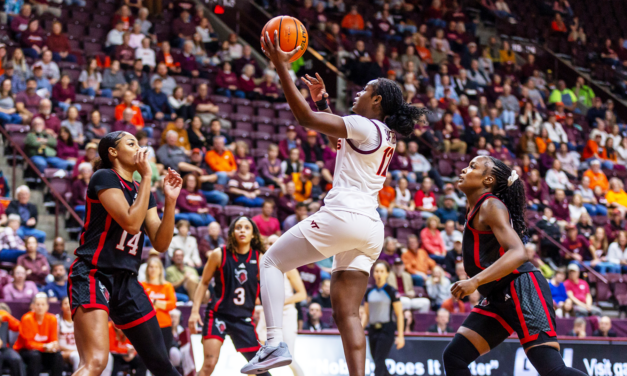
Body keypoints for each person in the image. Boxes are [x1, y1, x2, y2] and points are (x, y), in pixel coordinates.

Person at [242, 35, 426, 375]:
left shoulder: (363, 124)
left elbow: (304, 120)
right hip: (370, 228)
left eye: (363, 90)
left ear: (377, 98)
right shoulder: (385, 134)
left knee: (270, 262)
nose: (356, 93)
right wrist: (323, 103)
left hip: (344, 215)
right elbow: (336, 139)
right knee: (347, 313)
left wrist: (283, 67)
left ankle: (272, 343)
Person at [442, 156, 587, 376]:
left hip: (522, 287)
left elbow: (519, 252)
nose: (464, 169)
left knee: (552, 370)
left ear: (488, 180)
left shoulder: (490, 205)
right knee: (455, 356)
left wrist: (475, 281)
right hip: (498, 293)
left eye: (472, 167)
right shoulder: (476, 207)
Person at [68, 131, 183, 376]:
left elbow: (161, 243)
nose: (139, 147)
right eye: (131, 143)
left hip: (127, 280)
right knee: (96, 362)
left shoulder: (144, 191)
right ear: (113, 152)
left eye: (139, 143)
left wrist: (170, 202)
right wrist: (149, 175)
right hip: (93, 274)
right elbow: (131, 223)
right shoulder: (104, 177)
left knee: (162, 364)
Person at [188, 217, 269, 376]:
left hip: (244, 319)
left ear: (253, 234)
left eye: (247, 228)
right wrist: (194, 312)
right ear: (232, 232)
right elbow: (203, 282)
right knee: (209, 364)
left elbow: (266, 289)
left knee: (260, 369)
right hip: (218, 316)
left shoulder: (260, 257)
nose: (242, 230)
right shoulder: (219, 254)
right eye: (238, 227)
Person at [255, 235, 306, 375]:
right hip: (267, 314)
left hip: (286, 313)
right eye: (267, 243)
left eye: (273, 243)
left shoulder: (289, 266)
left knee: (289, 357)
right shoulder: (262, 266)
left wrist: (278, 302)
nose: (269, 245)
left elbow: (302, 294)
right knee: (260, 356)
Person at [361, 261, 404, 376]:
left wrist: (400, 336)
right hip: (372, 330)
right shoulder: (369, 291)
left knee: (379, 361)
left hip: (386, 330)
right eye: (376, 271)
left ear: (387, 274)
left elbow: (399, 314)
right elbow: (366, 313)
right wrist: (360, 329)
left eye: (381, 271)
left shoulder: (392, 291)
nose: (379, 274)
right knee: (377, 360)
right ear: (373, 274)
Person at [141, 258, 179, 365]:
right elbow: (142, 304)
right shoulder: (142, 286)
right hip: (147, 325)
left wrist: (154, 302)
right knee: (146, 357)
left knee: (164, 357)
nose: (153, 269)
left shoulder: (167, 286)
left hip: (165, 325)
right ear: (147, 269)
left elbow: (172, 304)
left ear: (161, 270)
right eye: (151, 267)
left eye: (156, 267)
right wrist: (162, 304)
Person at [15, 293, 63, 376]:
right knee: (35, 355)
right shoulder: (27, 318)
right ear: (33, 306)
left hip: (44, 351)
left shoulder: (52, 319)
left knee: (58, 356)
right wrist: (44, 346)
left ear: (47, 306)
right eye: (37, 304)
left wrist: (53, 345)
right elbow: (28, 344)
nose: (40, 307)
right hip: (26, 351)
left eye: (43, 304)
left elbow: (53, 339)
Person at [58, 297, 80, 372]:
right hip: (63, 352)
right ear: (61, 307)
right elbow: (55, 342)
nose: (68, 305)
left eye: (70, 303)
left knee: (107, 357)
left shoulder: (81, 320)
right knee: (77, 356)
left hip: (78, 351)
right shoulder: (57, 320)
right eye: (65, 303)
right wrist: (71, 350)